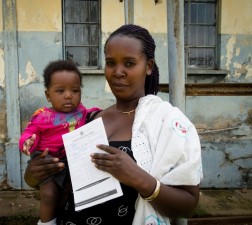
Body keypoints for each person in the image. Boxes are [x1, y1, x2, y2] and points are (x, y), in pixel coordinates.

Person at [24, 24, 203, 225]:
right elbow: (61, 184)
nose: (118, 72)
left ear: (149, 66)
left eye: (129, 63)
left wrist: (139, 178)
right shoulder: (88, 120)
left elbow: (188, 205)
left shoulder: (166, 122)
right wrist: (33, 175)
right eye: (111, 63)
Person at [18, 60, 100, 225]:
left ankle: (60, 219)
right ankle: (46, 223)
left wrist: (100, 113)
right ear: (48, 95)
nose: (69, 95)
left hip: (69, 160)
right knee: (49, 195)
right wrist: (27, 142)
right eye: (60, 91)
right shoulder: (43, 116)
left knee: (66, 193)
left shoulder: (81, 111)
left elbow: (89, 115)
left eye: (75, 90)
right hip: (46, 160)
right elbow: (30, 132)